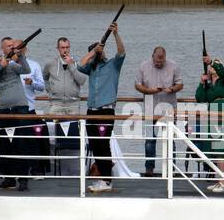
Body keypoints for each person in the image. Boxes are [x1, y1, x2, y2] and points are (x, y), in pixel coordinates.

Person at [77, 23, 126, 194]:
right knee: (95, 145)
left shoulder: (112, 64)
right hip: (92, 111)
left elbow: (122, 52)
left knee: (103, 144)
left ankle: (107, 180)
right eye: (99, 51)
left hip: (106, 111)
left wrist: (115, 35)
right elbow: (79, 65)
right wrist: (92, 52)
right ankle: (102, 178)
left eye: (102, 51)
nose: (101, 53)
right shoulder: (91, 68)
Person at [0, 38, 35, 191]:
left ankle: (24, 178)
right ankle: (9, 178)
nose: (0, 59)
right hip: (3, 111)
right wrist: (1, 65)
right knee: (3, 145)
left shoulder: (13, 66)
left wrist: (20, 56)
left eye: (12, 46)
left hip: (20, 108)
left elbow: (26, 70)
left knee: (22, 144)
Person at [195, 50, 224, 194]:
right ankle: (219, 180)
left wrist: (212, 62)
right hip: (213, 113)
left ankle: (222, 182)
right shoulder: (210, 85)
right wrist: (201, 83)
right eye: (212, 66)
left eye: (215, 66)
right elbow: (200, 98)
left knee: (223, 148)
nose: (213, 68)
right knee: (217, 148)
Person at [134, 46, 182, 177]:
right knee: (150, 140)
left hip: (169, 107)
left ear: (165, 57)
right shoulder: (143, 66)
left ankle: (171, 168)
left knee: (170, 139)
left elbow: (180, 84)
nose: (159, 63)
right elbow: (137, 85)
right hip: (150, 106)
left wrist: (171, 89)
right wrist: (150, 91)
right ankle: (149, 169)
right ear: (152, 57)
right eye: (157, 61)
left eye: (162, 61)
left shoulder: (173, 65)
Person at [44, 36, 87, 174]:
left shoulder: (77, 63)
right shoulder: (51, 63)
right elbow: (44, 77)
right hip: (56, 104)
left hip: (73, 104)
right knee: (51, 134)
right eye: (62, 47)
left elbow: (82, 81)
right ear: (58, 49)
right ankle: (51, 168)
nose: (65, 50)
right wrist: (50, 91)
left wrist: (71, 66)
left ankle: (76, 168)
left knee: (73, 136)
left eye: (67, 47)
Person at [18, 49, 49, 176]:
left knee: (32, 141)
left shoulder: (34, 65)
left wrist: (32, 83)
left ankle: (35, 169)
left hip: (28, 108)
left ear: (25, 50)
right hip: (10, 108)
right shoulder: (7, 65)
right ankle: (11, 170)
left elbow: (42, 86)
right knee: (11, 140)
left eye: (20, 49)